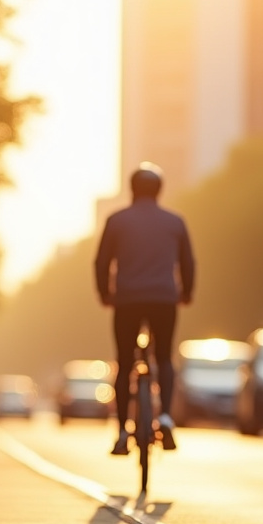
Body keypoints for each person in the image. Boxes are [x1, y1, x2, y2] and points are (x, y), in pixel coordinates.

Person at [94, 162, 195, 456]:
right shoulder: (175, 222)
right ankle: (164, 417)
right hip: (165, 300)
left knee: (125, 364)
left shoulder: (116, 221)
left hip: (126, 300)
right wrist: (186, 293)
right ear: (159, 190)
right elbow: (188, 263)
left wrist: (105, 293)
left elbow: (101, 262)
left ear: (132, 189)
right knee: (163, 356)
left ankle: (123, 431)